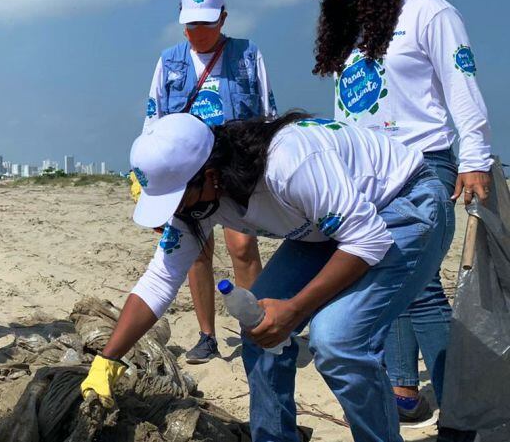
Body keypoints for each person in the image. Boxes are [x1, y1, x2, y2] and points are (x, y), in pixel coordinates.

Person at [83, 113, 451, 442]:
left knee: (337, 341)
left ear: (210, 176)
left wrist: (292, 310)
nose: (175, 213)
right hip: (325, 229)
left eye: (177, 200)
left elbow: (367, 239)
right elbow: (160, 279)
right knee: (257, 325)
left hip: (404, 204)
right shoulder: (204, 197)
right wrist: (108, 359)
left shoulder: (289, 164)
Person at [311, 0, 494, 422]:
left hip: (422, 166)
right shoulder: (354, 32)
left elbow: (461, 82)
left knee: (421, 286)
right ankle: (405, 390)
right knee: (384, 275)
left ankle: (461, 406)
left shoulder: (427, 12)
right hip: (364, 177)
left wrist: (475, 157)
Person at [141, 0, 275, 364]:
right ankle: (206, 335)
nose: (198, 32)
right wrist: (148, 184)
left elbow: (267, 113)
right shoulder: (169, 62)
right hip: (187, 174)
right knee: (195, 250)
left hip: (236, 168)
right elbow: (153, 118)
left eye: (207, 24)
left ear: (223, 18)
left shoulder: (248, 55)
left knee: (243, 245)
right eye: (191, 24)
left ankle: (256, 324)